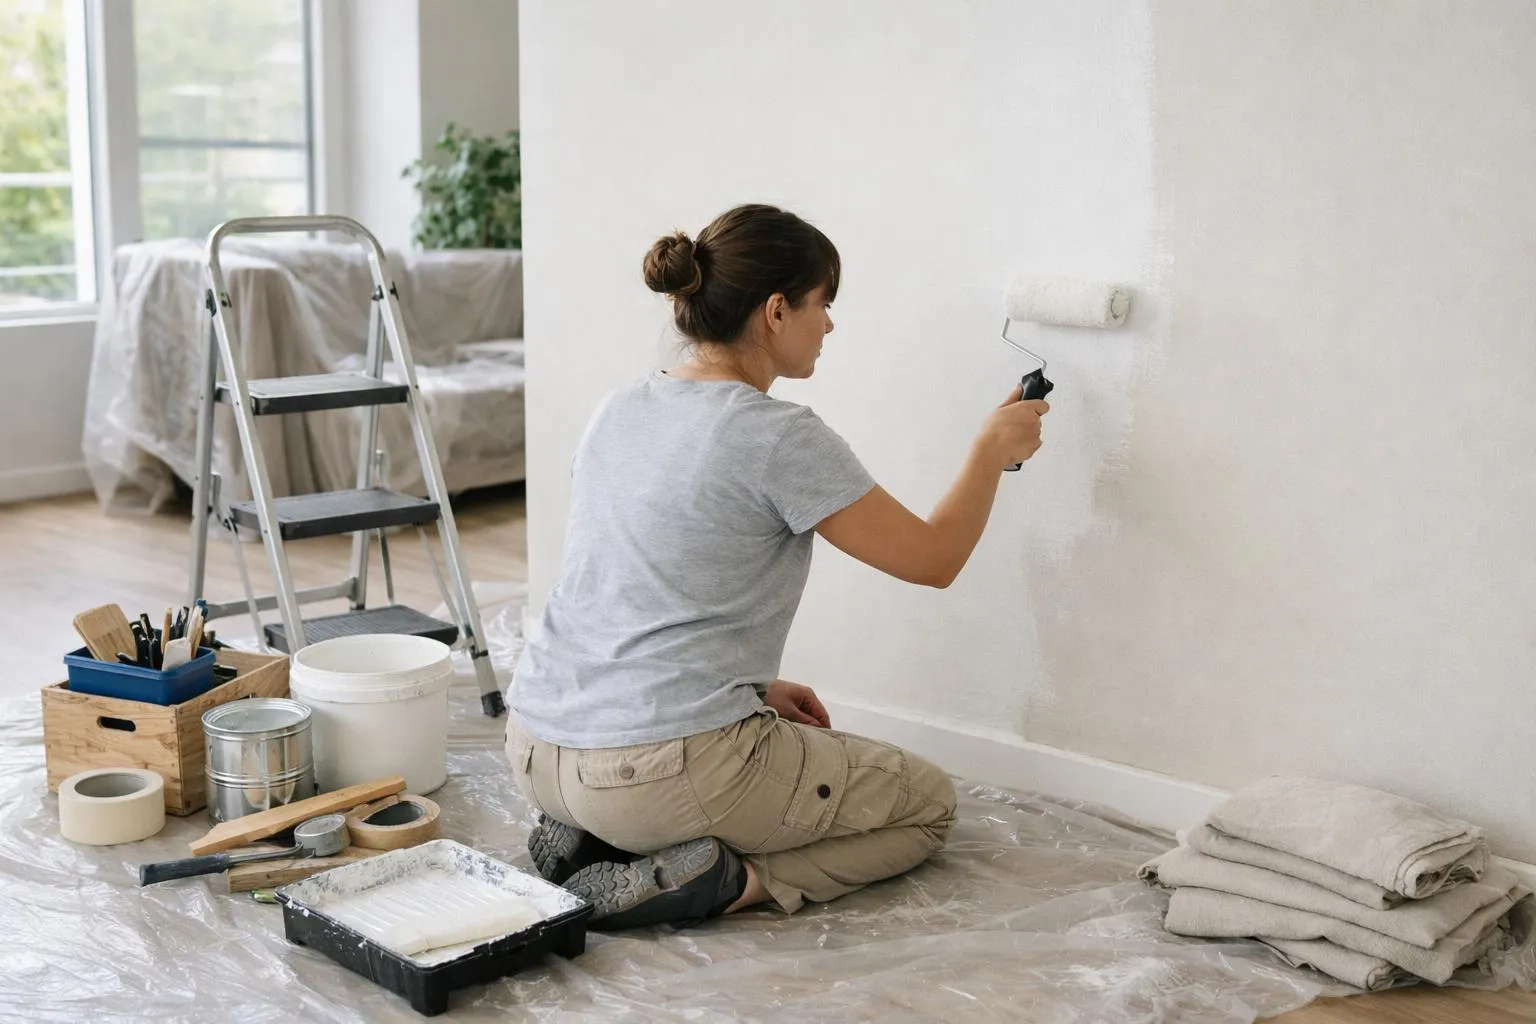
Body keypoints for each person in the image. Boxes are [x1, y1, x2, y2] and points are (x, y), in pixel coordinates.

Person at [505, 203, 1049, 929]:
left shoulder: (622, 405)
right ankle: (726, 882)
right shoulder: (774, 435)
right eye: (823, 304)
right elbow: (933, 560)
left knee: (664, 777)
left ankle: (591, 837)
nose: (829, 324)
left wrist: (752, 688)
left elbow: (633, 582)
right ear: (774, 311)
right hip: (654, 773)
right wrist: (990, 451)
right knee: (926, 805)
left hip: (535, 748)